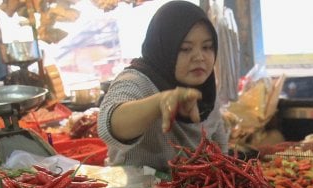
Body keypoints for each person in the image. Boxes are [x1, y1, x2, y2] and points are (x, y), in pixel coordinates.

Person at [97, 1, 229, 173]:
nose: (199, 57)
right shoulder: (136, 80)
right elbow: (109, 125)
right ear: (164, 47)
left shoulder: (205, 87)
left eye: (207, 47)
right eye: (185, 49)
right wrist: (160, 102)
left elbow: (221, 151)